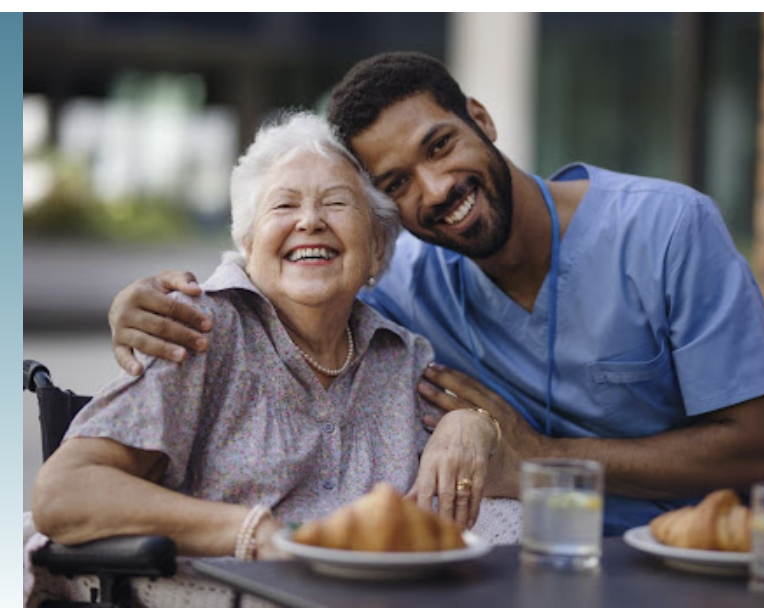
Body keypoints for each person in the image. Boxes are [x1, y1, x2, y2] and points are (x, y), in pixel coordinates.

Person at [107, 52, 764, 564]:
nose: (433, 191)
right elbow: (294, 261)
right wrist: (147, 301)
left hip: (753, 559)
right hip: (558, 567)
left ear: (481, 122)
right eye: (392, 185)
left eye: (439, 146)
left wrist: (536, 456)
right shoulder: (404, 278)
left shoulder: (667, 228)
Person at [31, 110, 503, 563]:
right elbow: (63, 492)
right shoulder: (199, 330)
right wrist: (251, 532)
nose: (310, 221)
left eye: (336, 202)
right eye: (284, 204)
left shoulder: (403, 358)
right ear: (249, 242)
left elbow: (490, 494)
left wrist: (474, 424)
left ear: (377, 246)